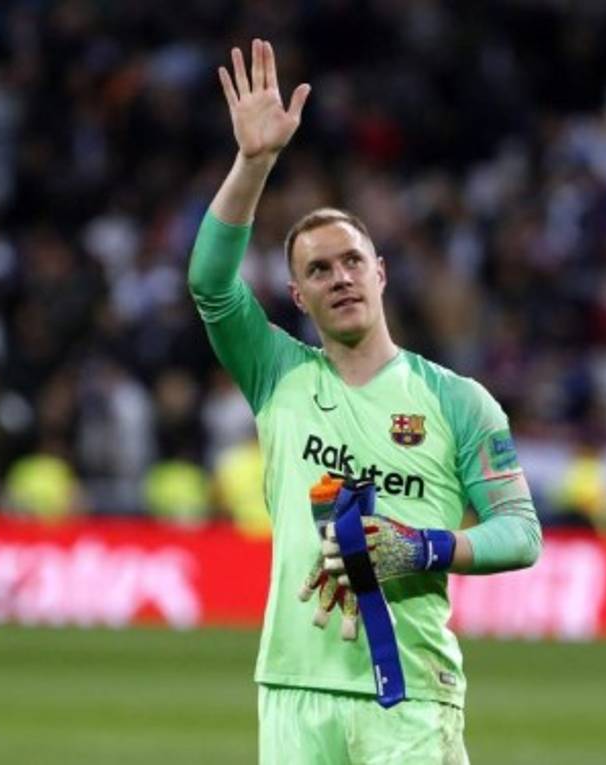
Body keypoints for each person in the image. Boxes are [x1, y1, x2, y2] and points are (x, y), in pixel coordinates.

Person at [187, 40, 541, 764]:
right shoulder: (277, 373)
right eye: (319, 269)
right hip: (292, 686)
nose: (340, 276)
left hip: (409, 694)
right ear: (298, 295)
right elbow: (210, 285)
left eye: (352, 260)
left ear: (380, 273)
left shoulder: (457, 400)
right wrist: (253, 164)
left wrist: (423, 546)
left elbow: (521, 532)